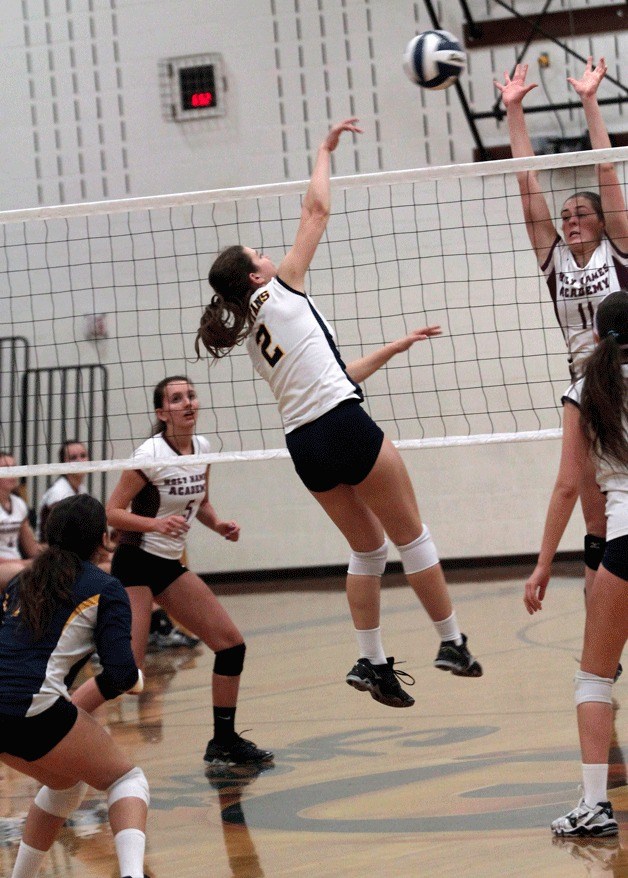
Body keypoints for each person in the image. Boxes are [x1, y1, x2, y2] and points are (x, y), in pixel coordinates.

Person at [195, 118, 482, 710]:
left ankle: (370, 660)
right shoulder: (284, 286)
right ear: (255, 276)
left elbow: (332, 375)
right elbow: (316, 211)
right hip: (342, 425)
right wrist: (324, 151)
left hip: (305, 444)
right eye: (261, 254)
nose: (273, 255)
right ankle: (450, 641)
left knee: (368, 549)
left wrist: (394, 347)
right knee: (413, 537)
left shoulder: (248, 331)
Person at [496, 58, 628, 605]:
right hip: (586, 389)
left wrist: (591, 102)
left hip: (625, 374)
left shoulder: (617, 250)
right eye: (566, 213)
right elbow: (528, 186)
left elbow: (606, 172)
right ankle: (606, 644)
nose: (571, 219)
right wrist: (514, 111)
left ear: (601, 222)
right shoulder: (554, 261)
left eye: (582, 213)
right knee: (597, 530)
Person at [105, 375, 272, 766]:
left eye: (191, 396)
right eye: (177, 399)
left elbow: (202, 504)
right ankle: (58, 713)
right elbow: (111, 511)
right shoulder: (149, 455)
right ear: (163, 413)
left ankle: (224, 742)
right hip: (135, 562)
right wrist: (154, 525)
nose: (187, 404)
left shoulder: (202, 448)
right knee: (128, 673)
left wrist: (219, 526)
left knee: (231, 646)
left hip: (168, 563)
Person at [1, 494, 149, 878]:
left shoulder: (22, 580)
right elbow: (120, 672)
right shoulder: (104, 587)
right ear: (103, 537)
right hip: (29, 708)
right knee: (126, 778)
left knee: (66, 785)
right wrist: (133, 678)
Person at [524, 290, 628, 837]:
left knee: (594, 678)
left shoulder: (587, 389)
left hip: (625, 542)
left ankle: (595, 806)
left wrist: (543, 564)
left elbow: (569, 485)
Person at [0, 452, 41, 590]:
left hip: (19, 563)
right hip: (4, 566)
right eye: (6, 468)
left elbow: (32, 549)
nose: (13, 472)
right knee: (22, 572)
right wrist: (24, 563)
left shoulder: (19, 504)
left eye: (14, 467)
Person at [36, 440, 89, 542]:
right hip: (52, 549)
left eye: (83, 456)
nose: (80, 461)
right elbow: (62, 532)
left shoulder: (81, 489)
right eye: (73, 458)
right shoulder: (58, 492)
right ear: (63, 463)